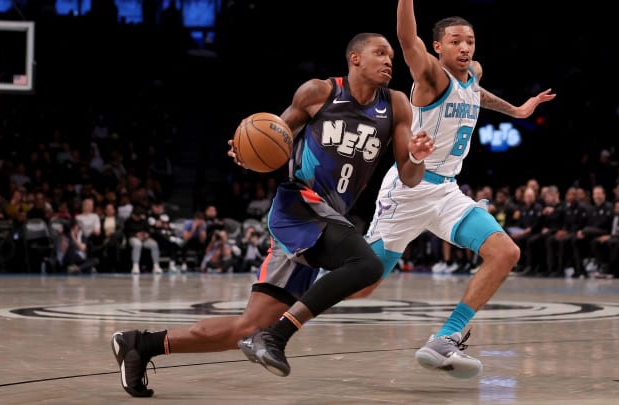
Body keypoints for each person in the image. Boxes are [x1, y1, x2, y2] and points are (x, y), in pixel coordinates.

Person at [109, 32, 435, 397]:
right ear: (355, 59)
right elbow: (274, 136)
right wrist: (246, 152)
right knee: (368, 266)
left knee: (246, 329)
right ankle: (277, 336)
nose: (388, 60)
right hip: (299, 206)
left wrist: (418, 157)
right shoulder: (319, 93)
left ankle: (141, 344)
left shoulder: (396, 105)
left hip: (327, 218)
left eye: (391, 54)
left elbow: (409, 176)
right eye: (380, 53)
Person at [358, 0, 555, 379]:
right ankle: (294, 294)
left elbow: (475, 93)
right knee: (363, 285)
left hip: (447, 191)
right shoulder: (431, 76)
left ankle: (444, 339)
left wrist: (516, 111)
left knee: (505, 252)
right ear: (437, 47)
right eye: (456, 41)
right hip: (409, 190)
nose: (465, 48)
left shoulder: (473, 73)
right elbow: (404, 36)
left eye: (470, 41)